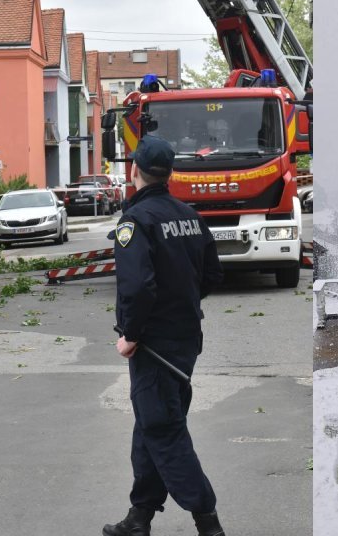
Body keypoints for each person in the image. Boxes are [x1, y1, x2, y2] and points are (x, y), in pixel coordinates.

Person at [103, 135, 226, 536]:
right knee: (152, 425)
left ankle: (208, 522)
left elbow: (138, 287)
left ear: (133, 170)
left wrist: (133, 335)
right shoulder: (189, 215)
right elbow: (211, 276)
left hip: (153, 346)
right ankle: (139, 517)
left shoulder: (135, 222)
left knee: (163, 430)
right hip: (186, 340)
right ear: (170, 173)